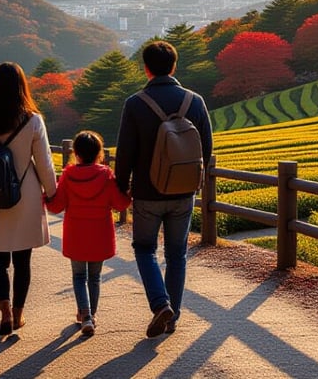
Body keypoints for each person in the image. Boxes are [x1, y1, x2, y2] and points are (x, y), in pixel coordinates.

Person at [115, 40, 213, 338]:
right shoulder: (194, 101)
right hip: (183, 193)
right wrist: (193, 181)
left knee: (144, 248)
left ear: (146, 68)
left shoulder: (135, 103)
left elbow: (125, 153)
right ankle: (172, 318)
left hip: (147, 193)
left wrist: (122, 188)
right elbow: (206, 149)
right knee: (176, 254)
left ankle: (160, 304)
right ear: (174, 66)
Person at [0, 62, 58, 337]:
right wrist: (51, 192)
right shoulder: (32, 120)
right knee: (23, 261)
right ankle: (18, 314)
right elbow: (44, 162)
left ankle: (3, 311)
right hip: (24, 193)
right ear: (21, 87)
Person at [46, 130, 131, 336]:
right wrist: (129, 194)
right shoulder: (105, 175)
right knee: (94, 277)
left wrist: (44, 197)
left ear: (76, 153)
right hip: (100, 233)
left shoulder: (68, 175)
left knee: (78, 276)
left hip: (76, 233)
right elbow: (119, 204)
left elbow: (56, 206)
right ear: (99, 153)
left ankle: (84, 315)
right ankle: (91, 315)